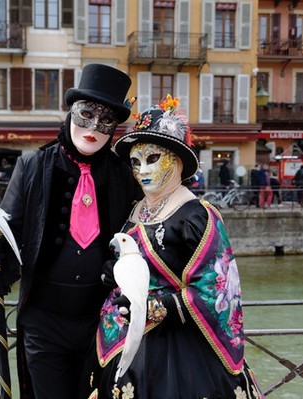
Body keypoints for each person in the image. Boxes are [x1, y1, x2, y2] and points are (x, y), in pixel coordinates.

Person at [0, 64, 142, 399]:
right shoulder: (33, 165)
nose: (93, 127)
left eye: (106, 121)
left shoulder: (123, 175)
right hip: (45, 323)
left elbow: (140, 235)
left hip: (102, 321)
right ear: (71, 112)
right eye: (86, 114)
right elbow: (8, 231)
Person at [84, 96, 263, 398]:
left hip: (179, 350)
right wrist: (113, 272)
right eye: (135, 162)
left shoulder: (197, 216)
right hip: (121, 338)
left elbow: (216, 288)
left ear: (177, 161)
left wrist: (160, 307)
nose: (141, 170)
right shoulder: (134, 210)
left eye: (152, 159)